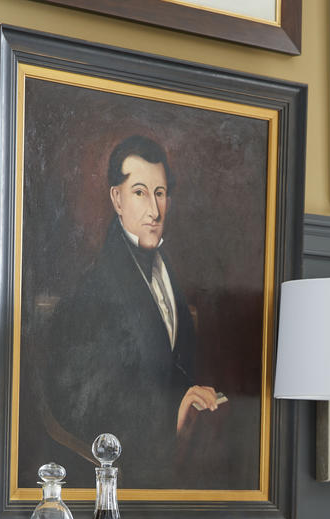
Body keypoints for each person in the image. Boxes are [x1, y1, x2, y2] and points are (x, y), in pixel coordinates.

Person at [47, 135, 225, 489]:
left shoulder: (164, 270)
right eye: (140, 193)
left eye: (160, 193)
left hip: (180, 460)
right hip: (130, 468)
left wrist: (194, 398)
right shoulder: (93, 291)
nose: (154, 211)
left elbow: (175, 362)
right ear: (117, 198)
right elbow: (84, 403)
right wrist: (171, 414)